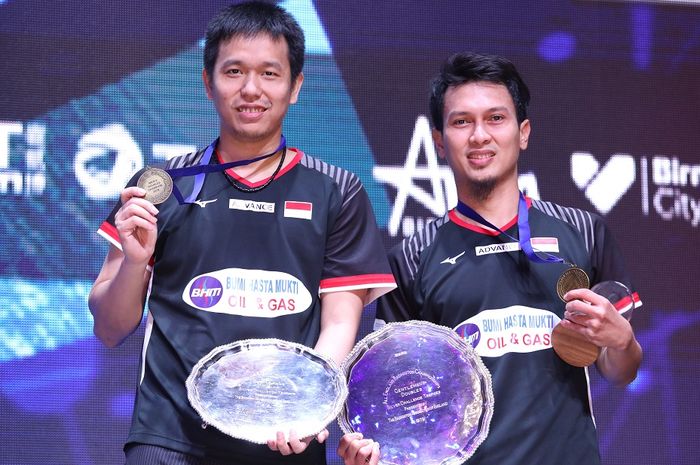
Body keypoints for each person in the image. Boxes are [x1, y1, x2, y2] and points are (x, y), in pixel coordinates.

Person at [88, 2, 395, 464]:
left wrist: (307, 409)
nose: (251, 89)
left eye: (270, 74)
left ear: (295, 87)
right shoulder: (161, 185)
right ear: (208, 82)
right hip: (169, 439)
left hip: (285, 437)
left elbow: (338, 325)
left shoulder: (337, 191)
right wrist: (135, 262)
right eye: (234, 71)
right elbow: (110, 328)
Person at [338, 52, 642, 465]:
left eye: (496, 118)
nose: (479, 135)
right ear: (440, 141)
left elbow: (620, 370)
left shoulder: (584, 232)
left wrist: (621, 340)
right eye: (462, 122)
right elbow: (398, 396)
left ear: (524, 132)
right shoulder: (411, 258)